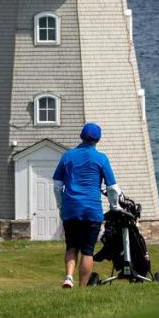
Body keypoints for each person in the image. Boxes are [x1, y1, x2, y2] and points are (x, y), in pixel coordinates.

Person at [53, 122, 121, 289]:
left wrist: (61, 206)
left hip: (70, 209)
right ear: (97, 139)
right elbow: (112, 188)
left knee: (71, 246)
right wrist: (114, 207)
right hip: (91, 210)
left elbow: (56, 185)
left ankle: (69, 277)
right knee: (87, 250)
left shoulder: (67, 156)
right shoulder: (101, 158)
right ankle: (82, 287)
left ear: (81, 136)